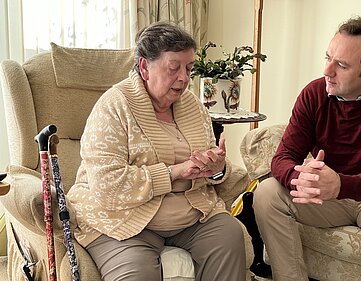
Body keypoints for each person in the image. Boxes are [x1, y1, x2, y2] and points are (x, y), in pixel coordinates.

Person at [67, 22, 246, 281]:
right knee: (135, 272)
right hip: (121, 219)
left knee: (228, 234)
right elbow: (107, 185)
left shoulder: (194, 107)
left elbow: (211, 167)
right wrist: (174, 172)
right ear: (144, 67)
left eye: (188, 68)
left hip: (189, 216)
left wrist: (217, 169)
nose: (183, 78)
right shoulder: (113, 106)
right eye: (173, 68)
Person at [253, 17, 361, 281]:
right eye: (328, 57)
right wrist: (303, 178)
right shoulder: (314, 94)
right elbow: (282, 159)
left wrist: (341, 184)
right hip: (328, 199)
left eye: (341, 65)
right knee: (267, 193)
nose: (327, 70)